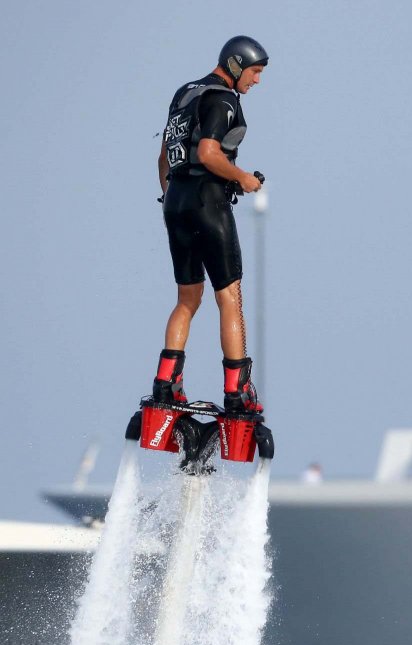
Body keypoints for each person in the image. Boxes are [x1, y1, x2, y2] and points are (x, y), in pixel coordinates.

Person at [151, 36, 269, 414]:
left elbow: (164, 160)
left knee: (187, 298)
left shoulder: (184, 93)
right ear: (235, 65)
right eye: (254, 72)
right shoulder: (224, 98)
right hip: (207, 202)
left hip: (175, 201)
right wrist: (243, 178)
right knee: (229, 297)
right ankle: (238, 392)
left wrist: (175, 197)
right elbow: (208, 152)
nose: (256, 81)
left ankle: (166, 384)